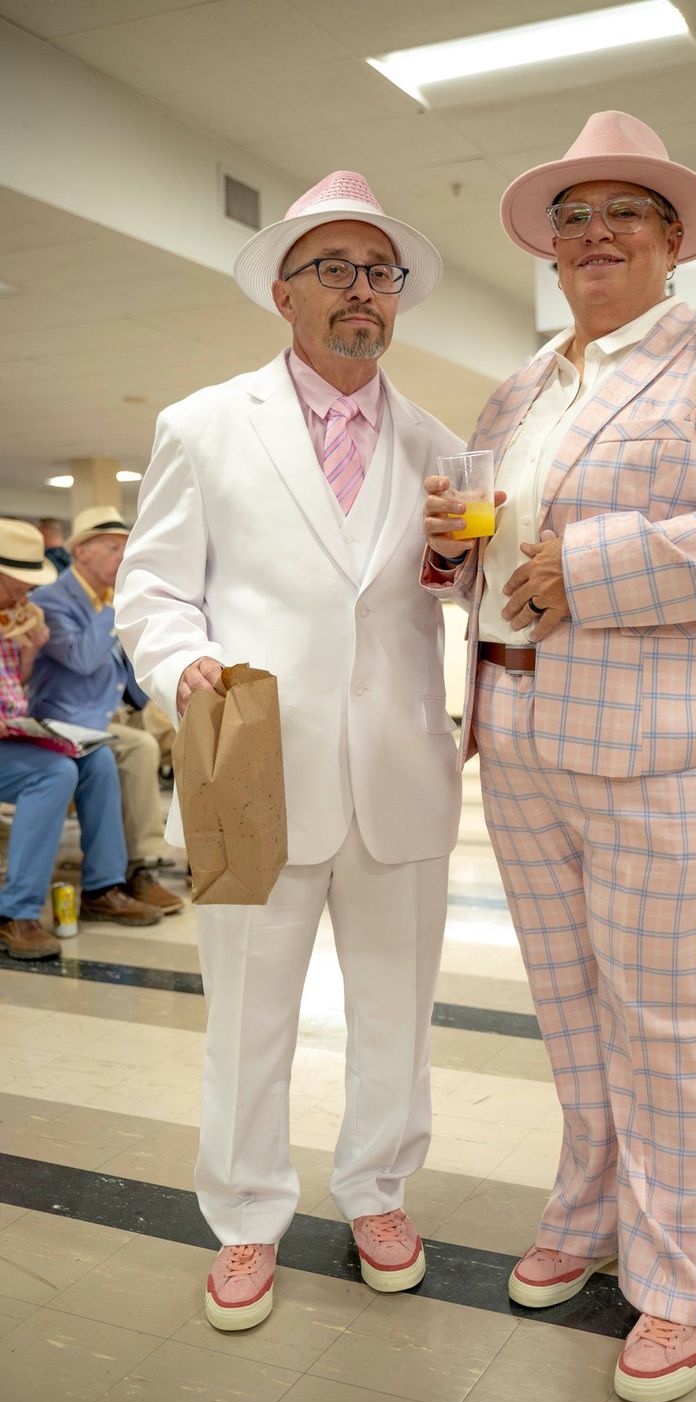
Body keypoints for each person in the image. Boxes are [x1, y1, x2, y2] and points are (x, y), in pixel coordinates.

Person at [422, 112, 696, 1402]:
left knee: (672, 1020)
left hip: (661, 748)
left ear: (672, 240)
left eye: (622, 214)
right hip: (522, 736)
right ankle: (591, 1208)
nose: (594, 235)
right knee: (574, 1009)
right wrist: (451, 548)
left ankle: (686, 1274)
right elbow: (486, 540)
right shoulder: (522, 385)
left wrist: (587, 567)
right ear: (551, 247)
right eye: (572, 218)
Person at [114, 170, 463, 1332]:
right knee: (246, 1012)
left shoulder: (439, 447)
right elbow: (155, 588)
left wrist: (469, 577)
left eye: (380, 273)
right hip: (247, 766)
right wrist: (181, 666)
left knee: (396, 1013)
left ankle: (376, 1190)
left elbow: (452, 593)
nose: (361, 293)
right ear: (284, 291)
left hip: (402, 774)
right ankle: (247, 1216)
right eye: (334, 269)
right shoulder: (205, 425)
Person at [0, 520, 163, 960]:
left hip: (19, 729)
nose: (22, 598)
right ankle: (17, 912)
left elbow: (17, 690)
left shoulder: (15, 616)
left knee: (97, 760)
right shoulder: (54, 603)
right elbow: (81, 661)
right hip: (27, 731)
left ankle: (102, 885)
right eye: (15, 588)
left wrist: (30, 653)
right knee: (53, 774)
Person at [28, 507, 180, 915]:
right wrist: (114, 607)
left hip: (117, 707)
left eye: (126, 548)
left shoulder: (109, 599)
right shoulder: (50, 601)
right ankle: (142, 866)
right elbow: (81, 657)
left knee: (191, 736)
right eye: (113, 548)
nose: (122, 557)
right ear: (80, 552)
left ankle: (208, 855)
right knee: (140, 748)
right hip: (68, 719)